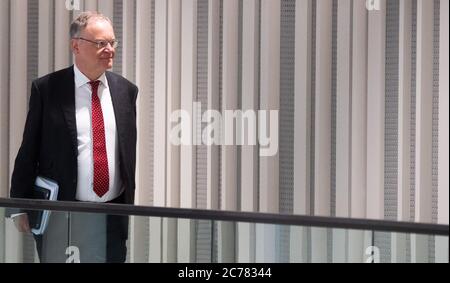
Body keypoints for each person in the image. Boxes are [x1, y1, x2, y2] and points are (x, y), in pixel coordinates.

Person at [8, 11, 138, 263]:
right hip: (63, 215)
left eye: (112, 42)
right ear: (75, 45)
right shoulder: (47, 89)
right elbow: (28, 150)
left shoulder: (126, 91)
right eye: (101, 43)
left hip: (113, 214)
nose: (109, 49)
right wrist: (18, 206)